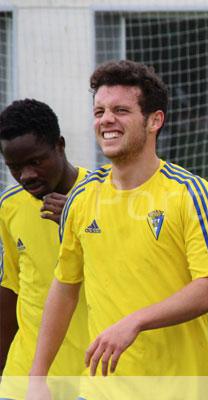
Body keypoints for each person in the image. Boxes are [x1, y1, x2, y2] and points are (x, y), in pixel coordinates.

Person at [27, 60, 208, 400]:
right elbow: (65, 287)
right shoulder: (82, 194)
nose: (106, 119)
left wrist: (134, 322)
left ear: (155, 120)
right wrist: (37, 377)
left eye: (121, 110)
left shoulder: (190, 192)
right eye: (99, 111)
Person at [0, 99, 89, 400]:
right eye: (14, 167)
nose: (26, 175)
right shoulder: (9, 207)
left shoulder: (102, 197)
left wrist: (80, 219)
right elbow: (10, 291)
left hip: (88, 380)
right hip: (23, 379)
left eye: (35, 162)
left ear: (60, 146)